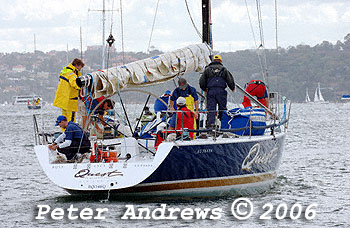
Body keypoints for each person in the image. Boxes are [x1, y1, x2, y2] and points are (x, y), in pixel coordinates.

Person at [199, 54, 235, 128]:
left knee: (211, 109)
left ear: (213, 61)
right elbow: (230, 79)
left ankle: (211, 126)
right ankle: (223, 125)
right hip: (221, 91)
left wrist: (204, 89)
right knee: (222, 109)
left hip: (211, 91)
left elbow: (202, 81)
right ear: (220, 61)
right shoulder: (224, 69)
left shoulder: (207, 69)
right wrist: (232, 88)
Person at [53, 58, 85, 130]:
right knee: (71, 120)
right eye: (80, 67)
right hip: (71, 100)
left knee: (64, 119)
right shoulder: (72, 74)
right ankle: (70, 136)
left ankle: (64, 133)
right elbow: (74, 84)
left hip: (63, 100)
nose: (80, 70)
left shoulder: (64, 72)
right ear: (76, 65)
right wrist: (81, 84)